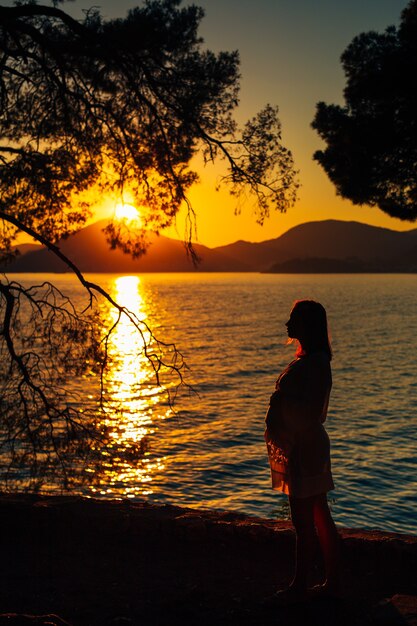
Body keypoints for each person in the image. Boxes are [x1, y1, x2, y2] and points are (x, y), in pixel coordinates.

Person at [264, 300, 340, 602]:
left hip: (305, 448)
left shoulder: (316, 363)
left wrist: (280, 406)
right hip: (305, 445)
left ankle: (301, 586)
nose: (287, 322)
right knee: (318, 513)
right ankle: (329, 582)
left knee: (304, 518)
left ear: (307, 324)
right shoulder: (310, 359)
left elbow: (310, 411)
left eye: (293, 317)